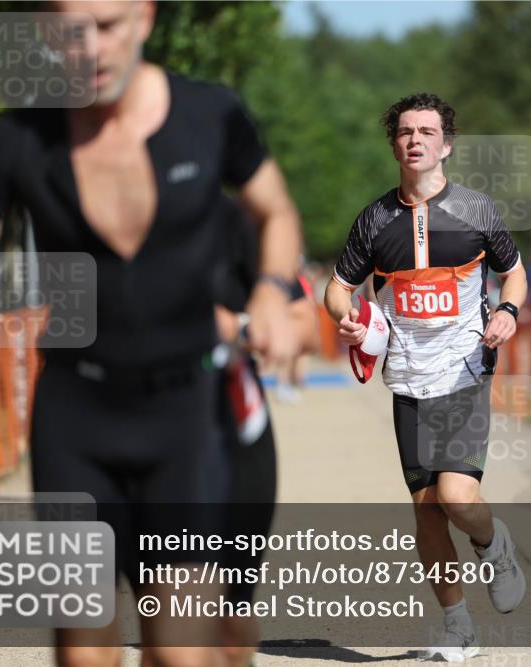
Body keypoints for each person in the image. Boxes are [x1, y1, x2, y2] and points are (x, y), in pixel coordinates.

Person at [0, 3, 302, 665]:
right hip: (75, 417)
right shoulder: (20, 138)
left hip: (185, 418)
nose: (90, 49)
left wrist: (272, 292)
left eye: (107, 26)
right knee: (83, 653)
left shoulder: (210, 115)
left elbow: (275, 211)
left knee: (180, 652)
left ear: (144, 16)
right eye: (69, 32)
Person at [323, 93, 528, 663]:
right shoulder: (374, 220)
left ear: (447, 145)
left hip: (464, 373)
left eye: (427, 131)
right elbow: (337, 288)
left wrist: (508, 311)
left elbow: (514, 274)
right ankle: (459, 629)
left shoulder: (477, 211)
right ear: (395, 145)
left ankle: (493, 544)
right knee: (426, 510)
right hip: (407, 381)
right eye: (405, 132)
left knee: (456, 496)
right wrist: (347, 318)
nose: (415, 140)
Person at [212, 195, 317, 667]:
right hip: (141, 424)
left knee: (232, 615)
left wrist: (239, 326)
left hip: (235, 421)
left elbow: (305, 326)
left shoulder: (234, 222)